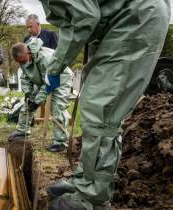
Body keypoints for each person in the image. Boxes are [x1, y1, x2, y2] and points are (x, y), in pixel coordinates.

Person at [37, 0, 171, 209]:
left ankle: (93, 197)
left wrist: (55, 68)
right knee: (94, 103)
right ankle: (85, 179)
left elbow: (83, 17)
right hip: (119, 21)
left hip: (135, 18)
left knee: (102, 108)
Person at [8, 39, 73, 152]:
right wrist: (28, 93)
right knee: (27, 105)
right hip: (43, 80)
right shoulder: (23, 60)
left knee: (57, 108)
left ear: (28, 53)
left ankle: (60, 142)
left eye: (23, 61)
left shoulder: (45, 58)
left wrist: (37, 101)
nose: (22, 64)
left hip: (60, 78)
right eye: (20, 63)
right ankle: (22, 131)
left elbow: (49, 83)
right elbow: (25, 77)